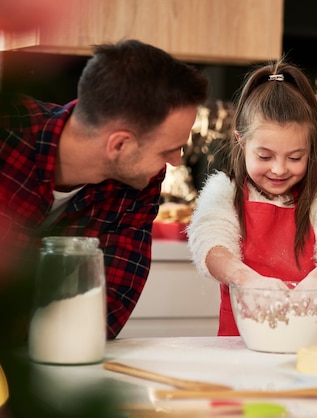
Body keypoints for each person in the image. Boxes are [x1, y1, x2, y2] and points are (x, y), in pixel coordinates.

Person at [0, 39, 209, 341]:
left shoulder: (140, 183)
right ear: (119, 144)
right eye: (169, 149)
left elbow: (106, 311)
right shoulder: (7, 132)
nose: (175, 162)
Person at [187, 59, 317, 336]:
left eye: (295, 157)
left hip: (308, 342)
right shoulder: (224, 191)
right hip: (240, 345)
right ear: (241, 142)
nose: (279, 169)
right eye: (265, 156)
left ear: (311, 149)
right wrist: (246, 279)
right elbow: (210, 243)